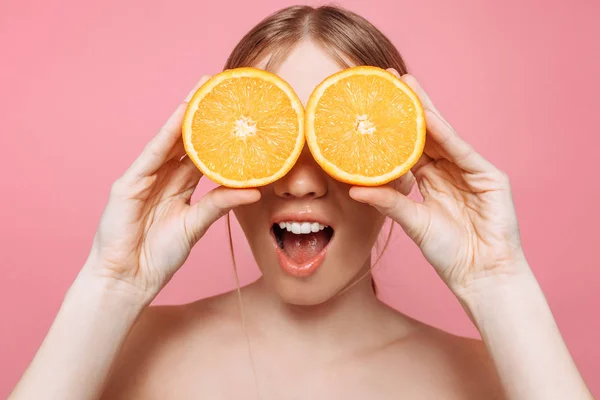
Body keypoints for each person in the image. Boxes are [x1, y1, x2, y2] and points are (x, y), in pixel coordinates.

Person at [9, 5, 592, 400]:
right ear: (218, 154)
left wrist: (499, 282)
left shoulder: (497, 378)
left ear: (406, 161)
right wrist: (110, 284)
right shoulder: (114, 351)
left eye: (339, 142)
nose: (303, 183)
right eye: (272, 139)